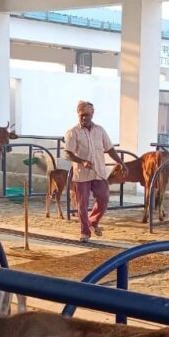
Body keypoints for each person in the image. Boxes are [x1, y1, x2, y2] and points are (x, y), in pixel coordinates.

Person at [64, 101, 128, 242]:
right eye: (82, 115)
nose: (84, 117)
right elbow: (68, 154)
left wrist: (121, 163)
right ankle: (85, 232)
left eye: (87, 115)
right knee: (82, 204)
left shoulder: (100, 130)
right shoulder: (72, 132)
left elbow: (110, 149)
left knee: (104, 198)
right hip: (82, 175)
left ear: (92, 115)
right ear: (78, 115)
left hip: (99, 172)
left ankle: (93, 221)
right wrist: (82, 161)